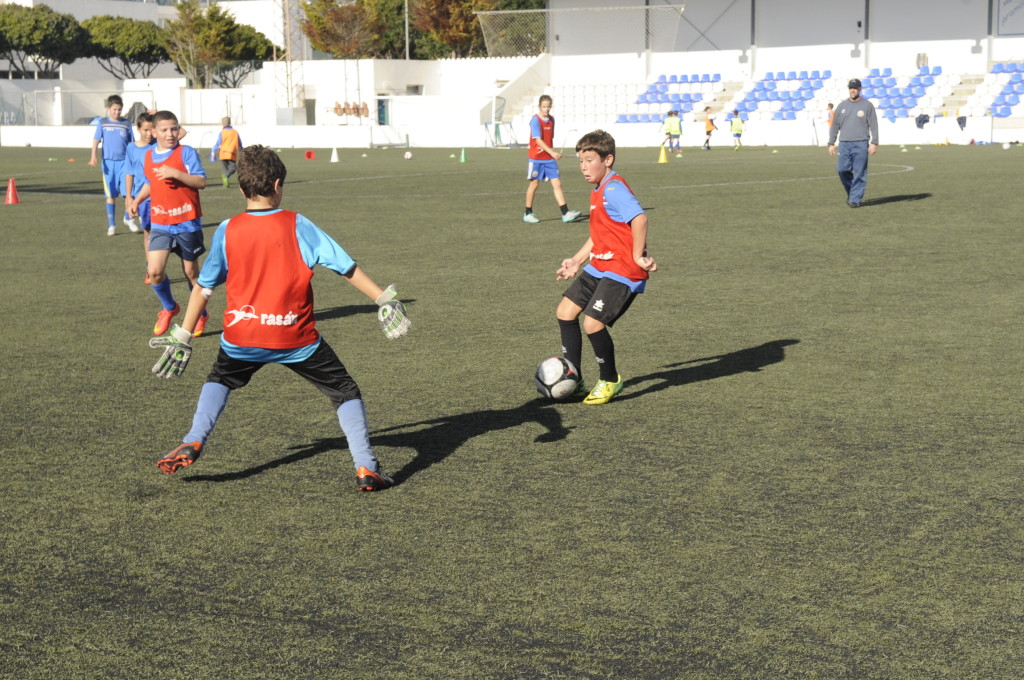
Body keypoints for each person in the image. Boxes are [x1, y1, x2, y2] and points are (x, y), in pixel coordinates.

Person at [148, 145, 411, 492]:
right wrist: (381, 298)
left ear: (242, 190)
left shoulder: (228, 229)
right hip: (295, 339)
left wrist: (183, 335)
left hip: (242, 337)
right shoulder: (298, 224)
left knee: (221, 378)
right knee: (345, 391)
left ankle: (195, 438)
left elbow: (204, 287)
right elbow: (345, 267)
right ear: (277, 185)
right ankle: (365, 465)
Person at [553, 130, 657, 405]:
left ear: (607, 159)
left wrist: (637, 256)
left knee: (592, 323)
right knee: (565, 312)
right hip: (601, 264)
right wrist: (577, 260)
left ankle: (610, 379)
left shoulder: (613, 188)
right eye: (580, 161)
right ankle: (572, 378)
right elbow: (600, 234)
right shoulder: (599, 188)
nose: (584, 167)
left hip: (623, 269)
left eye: (589, 160)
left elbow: (641, 219)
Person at [129, 110, 210, 337]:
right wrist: (136, 200)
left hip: (187, 223)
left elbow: (201, 181)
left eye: (174, 128)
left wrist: (175, 173)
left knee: (191, 273)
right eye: (164, 130)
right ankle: (169, 307)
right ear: (154, 132)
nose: (170, 134)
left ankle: (201, 314)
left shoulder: (186, 153)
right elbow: (149, 182)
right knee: (154, 272)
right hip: (161, 222)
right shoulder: (148, 157)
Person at [523, 94, 582, 224]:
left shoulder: (552, 120)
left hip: (549, 159)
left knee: (557, 183)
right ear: (539, 106)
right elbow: (538, 140)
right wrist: (552, 152)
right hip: (536, 158)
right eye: (544, 107)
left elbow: (550, 139)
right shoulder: (535, 120)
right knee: (534, 184)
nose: (546, 109)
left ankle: (565, 213)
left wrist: (552, 153)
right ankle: (528, 213)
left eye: (548, 106)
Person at [88, 94, 135, 236]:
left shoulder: (126, 124)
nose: (117, 112)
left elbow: (131, 144)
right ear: (109, 109)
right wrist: (93, 156)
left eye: (119, 110)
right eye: (114, 109)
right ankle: (112, 225)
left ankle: (128, 218)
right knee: (111, 194)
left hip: (124, 163)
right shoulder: (102, 123)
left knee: (128, 193)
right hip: (108, 164)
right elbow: (96, 141)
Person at [828, 79, 879, 208]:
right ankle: (853, 193)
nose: (852, 90)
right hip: (844, 143)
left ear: (860, 89)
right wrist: (831, 142)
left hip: (861, 143)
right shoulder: (841, 106)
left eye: (855, 88)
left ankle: (855, 199)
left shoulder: (867, 105)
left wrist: (874, 142)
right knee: (842, 170)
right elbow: (835, 126)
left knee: (859, 172)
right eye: (851, 87)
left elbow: (873, 124)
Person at [211, 116, 243, 188]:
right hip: (231, 153)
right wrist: (241, 149)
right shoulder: (234, 132)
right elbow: (239, 142)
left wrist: (213, 152)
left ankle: (226, 182)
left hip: (222, 153)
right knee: (233, 168)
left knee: (225, 169)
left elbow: (218, 143)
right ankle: (225, 177)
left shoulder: (222, 132)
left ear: (223, 123)